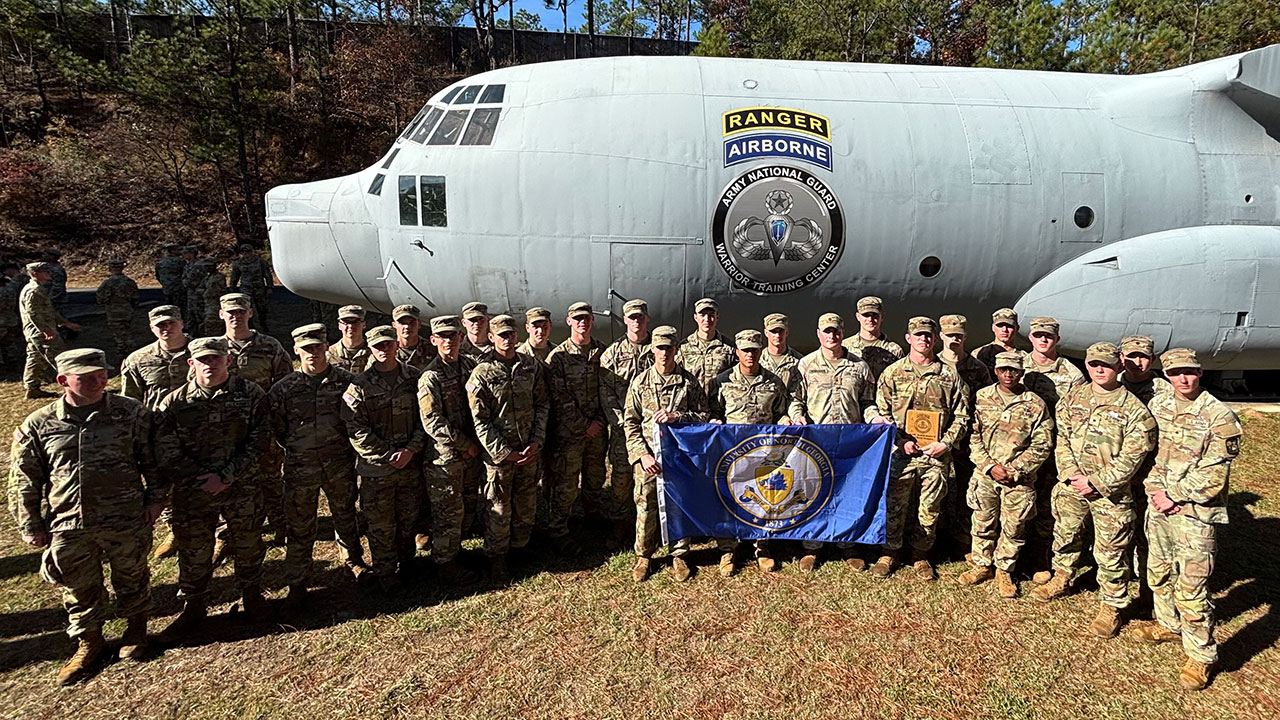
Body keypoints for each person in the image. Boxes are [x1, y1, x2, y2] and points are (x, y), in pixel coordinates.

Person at [10, 348, 163, 684]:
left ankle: (136, 631)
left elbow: (151, 459)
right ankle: (89, 642)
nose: (98, 381)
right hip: (68, 522)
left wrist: (156, 499)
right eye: (86, 377)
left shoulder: (130, 413)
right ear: (63, 380)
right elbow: (24, 479)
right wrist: (30, 523)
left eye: (102, 374)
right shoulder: (40, 424)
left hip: (125, 515)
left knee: (132, 574)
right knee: (79, 587)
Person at [1031, 342, 1157, 641]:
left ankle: (1112, 604)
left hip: (1111, 494)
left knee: (1112, 550)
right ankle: (1062, 576)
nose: (1100, 369)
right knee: (1066, 534)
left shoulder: (1135, 411)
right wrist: (1071, 474)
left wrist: (1097, 482)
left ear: (1119, 367)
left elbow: (1133, 457)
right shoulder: (1073, 398)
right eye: (1094, 364)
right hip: (1072, 486)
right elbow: (1061, 438)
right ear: (1087, 365)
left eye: (1107, 365)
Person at [1133, 348, 1242, 691]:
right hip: (1159, 506)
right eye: (1176, 372)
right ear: (1166, 375)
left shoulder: (1219, 416)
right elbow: (1147, 453)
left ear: (1200, 373)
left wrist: (1174, 495)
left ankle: (1201, 655)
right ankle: (1168, 624)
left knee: (1192, 589)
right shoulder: (1160, 407)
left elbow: (1214, 477)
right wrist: (1154, 491)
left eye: (1190, 372)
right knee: (1160, 571)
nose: (1183, 378)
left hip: (1195, 514)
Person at [154, 337, 272, 641]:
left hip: (241, 486)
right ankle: (193, 606)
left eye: (216, 358)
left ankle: (252, 596)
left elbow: (259, 440)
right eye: (203, 360)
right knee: (194, 550)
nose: (210, 364)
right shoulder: (174, 402)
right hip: (194, 493)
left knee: (248, 542)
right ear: (191, 363)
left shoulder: (251, 395)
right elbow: (166, 451)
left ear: (228, 361)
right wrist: (203, 479)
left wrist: (227, 476)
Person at [267, 324, 363, 612]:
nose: (313, 353)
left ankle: (354, 562)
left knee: (345, 514)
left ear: (326, 348)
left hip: (338, 463)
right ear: (296, 350)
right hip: (301, 467)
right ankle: (297, 580)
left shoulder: (346, 382)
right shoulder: (283, 389)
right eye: (306, 348)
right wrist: (299, 448)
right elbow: (277, 429)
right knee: (300, 524)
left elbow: (356, 420)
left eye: (317, 347)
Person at [871, 317, 971, 581]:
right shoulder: (892, 373)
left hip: (934, 455)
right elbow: (881, 412)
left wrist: (946, 443)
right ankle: (889, 552)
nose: (923, 340)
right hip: (901, 452)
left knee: (929, 508)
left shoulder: (949, 376)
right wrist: (899, 441)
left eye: (928, 336)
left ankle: (920, 554)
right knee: (894, 504)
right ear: (908, 338)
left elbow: (962, 416)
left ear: (935, 339)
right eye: (918, 335)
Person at [957, 351, 1053, 598]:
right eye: (1003, 370)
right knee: (982, 521)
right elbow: (973, 436)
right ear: (996, 371)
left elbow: (1042, 443)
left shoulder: (1035, 403)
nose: (1008, 374)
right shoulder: (983, 397)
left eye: (1014, 370)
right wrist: (989, 466)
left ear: (1021, 373)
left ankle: (1005, 570)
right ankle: (982, 563)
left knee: (1014, 527)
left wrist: (1015, 470)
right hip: (986, 475)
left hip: (1018, 480)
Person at [708, 329, 802, 575]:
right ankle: (728, 550)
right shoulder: (722, 382)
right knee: (728, 499)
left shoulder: (773, 382)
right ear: (737, 352)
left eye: (754, 350)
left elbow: (781, 410)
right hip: (732, 453)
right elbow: (714, 412)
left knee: (763, 500)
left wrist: (784, 420)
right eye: (745, 350)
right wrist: (715, 421)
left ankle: (762, 547)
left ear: (760, 352)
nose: (750, 355)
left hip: (764, 453)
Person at [795, 312, 882, 571]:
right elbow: (796, 400)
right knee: (814, 492)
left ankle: (848, 545)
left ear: (843, 333)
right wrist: (797, 416)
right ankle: (812, 546)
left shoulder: (859, 366)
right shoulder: (806, 364)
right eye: (827, 331)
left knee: (847, 494)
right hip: (817, 440)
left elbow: (867, 401)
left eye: (836, 331)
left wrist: (875, 417)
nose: (831, 336)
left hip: (849, 442)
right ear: (818, 334)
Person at [341, 325, 426, 592]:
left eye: (388, 344)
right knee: (380, 524)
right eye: (378, 346)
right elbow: (355, 428)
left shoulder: (414, 378)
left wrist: (411, 449)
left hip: (409, 464)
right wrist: (387, 454)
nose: (384, 350)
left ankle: (408, 564)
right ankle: (386, 572)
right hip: (377, 470)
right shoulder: (358, 386)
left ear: (396, 345)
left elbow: (426, 419)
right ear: (370, 349)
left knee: (408, 518)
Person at [467, 314, 550, 584]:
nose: (507, 338)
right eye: (501, 335)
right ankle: (497, 558)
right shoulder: (482, 372)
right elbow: (479, 420)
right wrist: (504, 452)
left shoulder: (530, 366)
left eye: (511, 333)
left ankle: (521, 549)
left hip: (529, 451)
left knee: (526, 503)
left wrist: (536, 441)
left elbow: (542, 405)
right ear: (491, 338)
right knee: (499, 509)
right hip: (499, 457)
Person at [623, 325, 708, 582]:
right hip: (649, 457)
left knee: (678, 503)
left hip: (678, 457)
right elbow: (630, 422)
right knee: (646, 505)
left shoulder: (689, 383)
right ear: (652, 349)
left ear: (676, 349)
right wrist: (642, 455)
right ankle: (644, 556)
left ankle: (679, 554)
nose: (664, 353)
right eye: (660, 348)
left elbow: (704, 416)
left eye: (669, 348)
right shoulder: (640, 382)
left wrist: (678, 416)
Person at [120, 304, 193, 559]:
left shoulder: (204, 351)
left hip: (201, 430)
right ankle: (176, 531)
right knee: (165, 484)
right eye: (160, 325)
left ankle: (221, 533)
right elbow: (131, 401)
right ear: (151, 328)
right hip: (159, 433)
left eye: (171, 322)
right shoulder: (138, 360)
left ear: (182, 323)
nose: (166, 328)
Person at [417, 315, 483, 585]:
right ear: (433, 341)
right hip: (445, 459)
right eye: (442, 337)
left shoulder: (470, 367)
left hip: (472, 455)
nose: (448, 341)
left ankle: (457, 553)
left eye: (453, 336)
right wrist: (466, 445)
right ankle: (445, 564)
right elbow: (432, 421)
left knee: (467, 506)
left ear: (461, 338)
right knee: (448, 512)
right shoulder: (430, 377)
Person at [1021, 316, 1086, 581]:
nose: (1043, 340)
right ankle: (1015, 553)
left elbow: (1076, 417)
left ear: (1057, 339)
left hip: (1053, 450)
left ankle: (1041, 556)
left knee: (1048, 504)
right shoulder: (1019, 366)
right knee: (1020, 499)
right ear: (1031, 338)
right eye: (1038, 335)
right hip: (1021, 447)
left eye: (1048, 335)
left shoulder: (1072, 375)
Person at [545, 302, 608, 554]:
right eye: (577, 318)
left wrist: (600, 422)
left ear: (593, 320)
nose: (583, 322)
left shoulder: (601, 352)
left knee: (595, 478)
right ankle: (558, 530)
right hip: (569, 435)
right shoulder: (558, 357)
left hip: (597, 431)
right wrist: (585, 425)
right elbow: (559, 398)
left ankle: (591, 519)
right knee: (566, 484)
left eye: (587, 318)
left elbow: (608, 390)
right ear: (569, 321)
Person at [1119, 333, 1172, 611]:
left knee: (1148, 536)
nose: (1136, 362)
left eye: (1142, 356)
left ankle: (1149, 591)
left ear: (1152, 359)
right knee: (1119, 532)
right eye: (1131, 356)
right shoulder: (1112, 386)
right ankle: (1120, 581)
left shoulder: (1165, 392)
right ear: (1121, 358)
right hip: (1118, 476)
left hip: (1150, 477)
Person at [599, 299, 653, 548]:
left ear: (647, 319)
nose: (637, 321)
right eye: (632, 317)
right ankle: (619, 525)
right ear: (625, 321)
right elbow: (606, 394)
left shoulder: (660, 348)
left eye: (640, 317)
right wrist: (624, 424)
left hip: (653, 432)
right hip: (623, 431)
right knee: (621, 479)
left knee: (653, 481)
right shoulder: (612, 354)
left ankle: (655, 527)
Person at [938, 314, 992, 549]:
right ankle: (934, 535)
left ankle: (962, 536)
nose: (954, 340)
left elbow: (987, 404)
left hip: (967, 438)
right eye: (950, 335)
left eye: (958, 336)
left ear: (965, 337)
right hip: (937, 436)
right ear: (941, 336)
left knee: (966, 490)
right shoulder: (934, 364)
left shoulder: (977, 368)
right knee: (936, 488)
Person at [20, 262, 82, 399]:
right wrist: (45, 331)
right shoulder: (33, 290)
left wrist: (66, 323)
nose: (49, 274)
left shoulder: (38, 288)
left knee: (35, 359)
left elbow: (49, 311)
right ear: (35, 273)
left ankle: (32, 388)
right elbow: (33, 314)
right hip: (41, 333)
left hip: (38, 332)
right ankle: (74, 387)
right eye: (45, 271)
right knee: (59, 357)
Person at [677, 297, 736, 393]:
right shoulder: (684, 347)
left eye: (711, 315)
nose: (707, 319)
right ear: (695, 317)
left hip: (719, 406)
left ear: (717, 317)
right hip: (693, 406)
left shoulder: (729, 348)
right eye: (702, 315)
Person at [842, 296, 904, 380]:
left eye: (875, 315)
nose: (870, 319)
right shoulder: (845, 347)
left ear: (882, 317)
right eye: (866, 315)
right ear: (858, 316)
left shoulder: (894, 350)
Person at [95, 259, 138, 360]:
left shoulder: (107, 283)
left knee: (118, 332)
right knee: (127, 330)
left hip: (113, 311)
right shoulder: (130, 282)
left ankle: (122, 351)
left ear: (110, 269)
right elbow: (135, 297)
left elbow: (101, 299)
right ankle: (130, 347)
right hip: (127, 309)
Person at [229, 243, 274, 332]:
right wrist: (232, 289)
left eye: (248, 251)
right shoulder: (238, 263)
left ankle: (263, 325)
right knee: (245, 309)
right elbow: (234, 277)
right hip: (245, 289)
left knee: (262, 308)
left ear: (252, 251)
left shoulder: (260, 262)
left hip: (259, 288)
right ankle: (249, 327)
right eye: (243, 252)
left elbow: (267, 275)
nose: (246, 254)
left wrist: (269, 287)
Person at [761, 312, 804, 401]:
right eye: (773, 331)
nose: (777, 335)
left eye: (781, 331)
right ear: (766, 332)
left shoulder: (799, 361)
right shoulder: (758, 360)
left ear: (787, 332)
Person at [328, 305, 372, 373]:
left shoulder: (373, 352)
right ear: (339, 325)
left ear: (364, 325)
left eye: (356, 322)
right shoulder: (329, 355)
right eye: (346, 322)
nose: (351, 326)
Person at [393, 304, 435, 371]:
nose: (407, 327)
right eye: (402, 323)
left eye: (412, 322)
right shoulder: (387, 350)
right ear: (394, 325)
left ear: (419, 324)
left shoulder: (433, 350)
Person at [0, 262, 26, 366]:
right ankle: (13, 361)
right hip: (12, 319)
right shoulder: (11, 289)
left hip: (2, 321)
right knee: (9, 343)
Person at [181, 248, 213, 328]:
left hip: (199, 294)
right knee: (191, 315)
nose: (184, 255)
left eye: (186, 253)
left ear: (192, 254)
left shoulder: (199, 265)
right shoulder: (187, 265)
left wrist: (187, 283)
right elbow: (184, 278)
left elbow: (195, 280)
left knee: (200, 314)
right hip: (190, 294)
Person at [154, 244, 188, 309]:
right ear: (172, 251)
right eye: (178, 250)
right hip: (179, 289)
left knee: (168, 308)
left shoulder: (160, 262)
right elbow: (186, 274)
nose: (181, 252)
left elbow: (157, 276)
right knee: (180, 308)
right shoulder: (180, 261)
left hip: (166, 288)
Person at [201, 265, 228, 336]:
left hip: (216, 304)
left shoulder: (218, 277)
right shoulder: (207, 277)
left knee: (214, 322)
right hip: (208, 304)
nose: (206, 267)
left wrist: (207, 293)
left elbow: (218, 291)